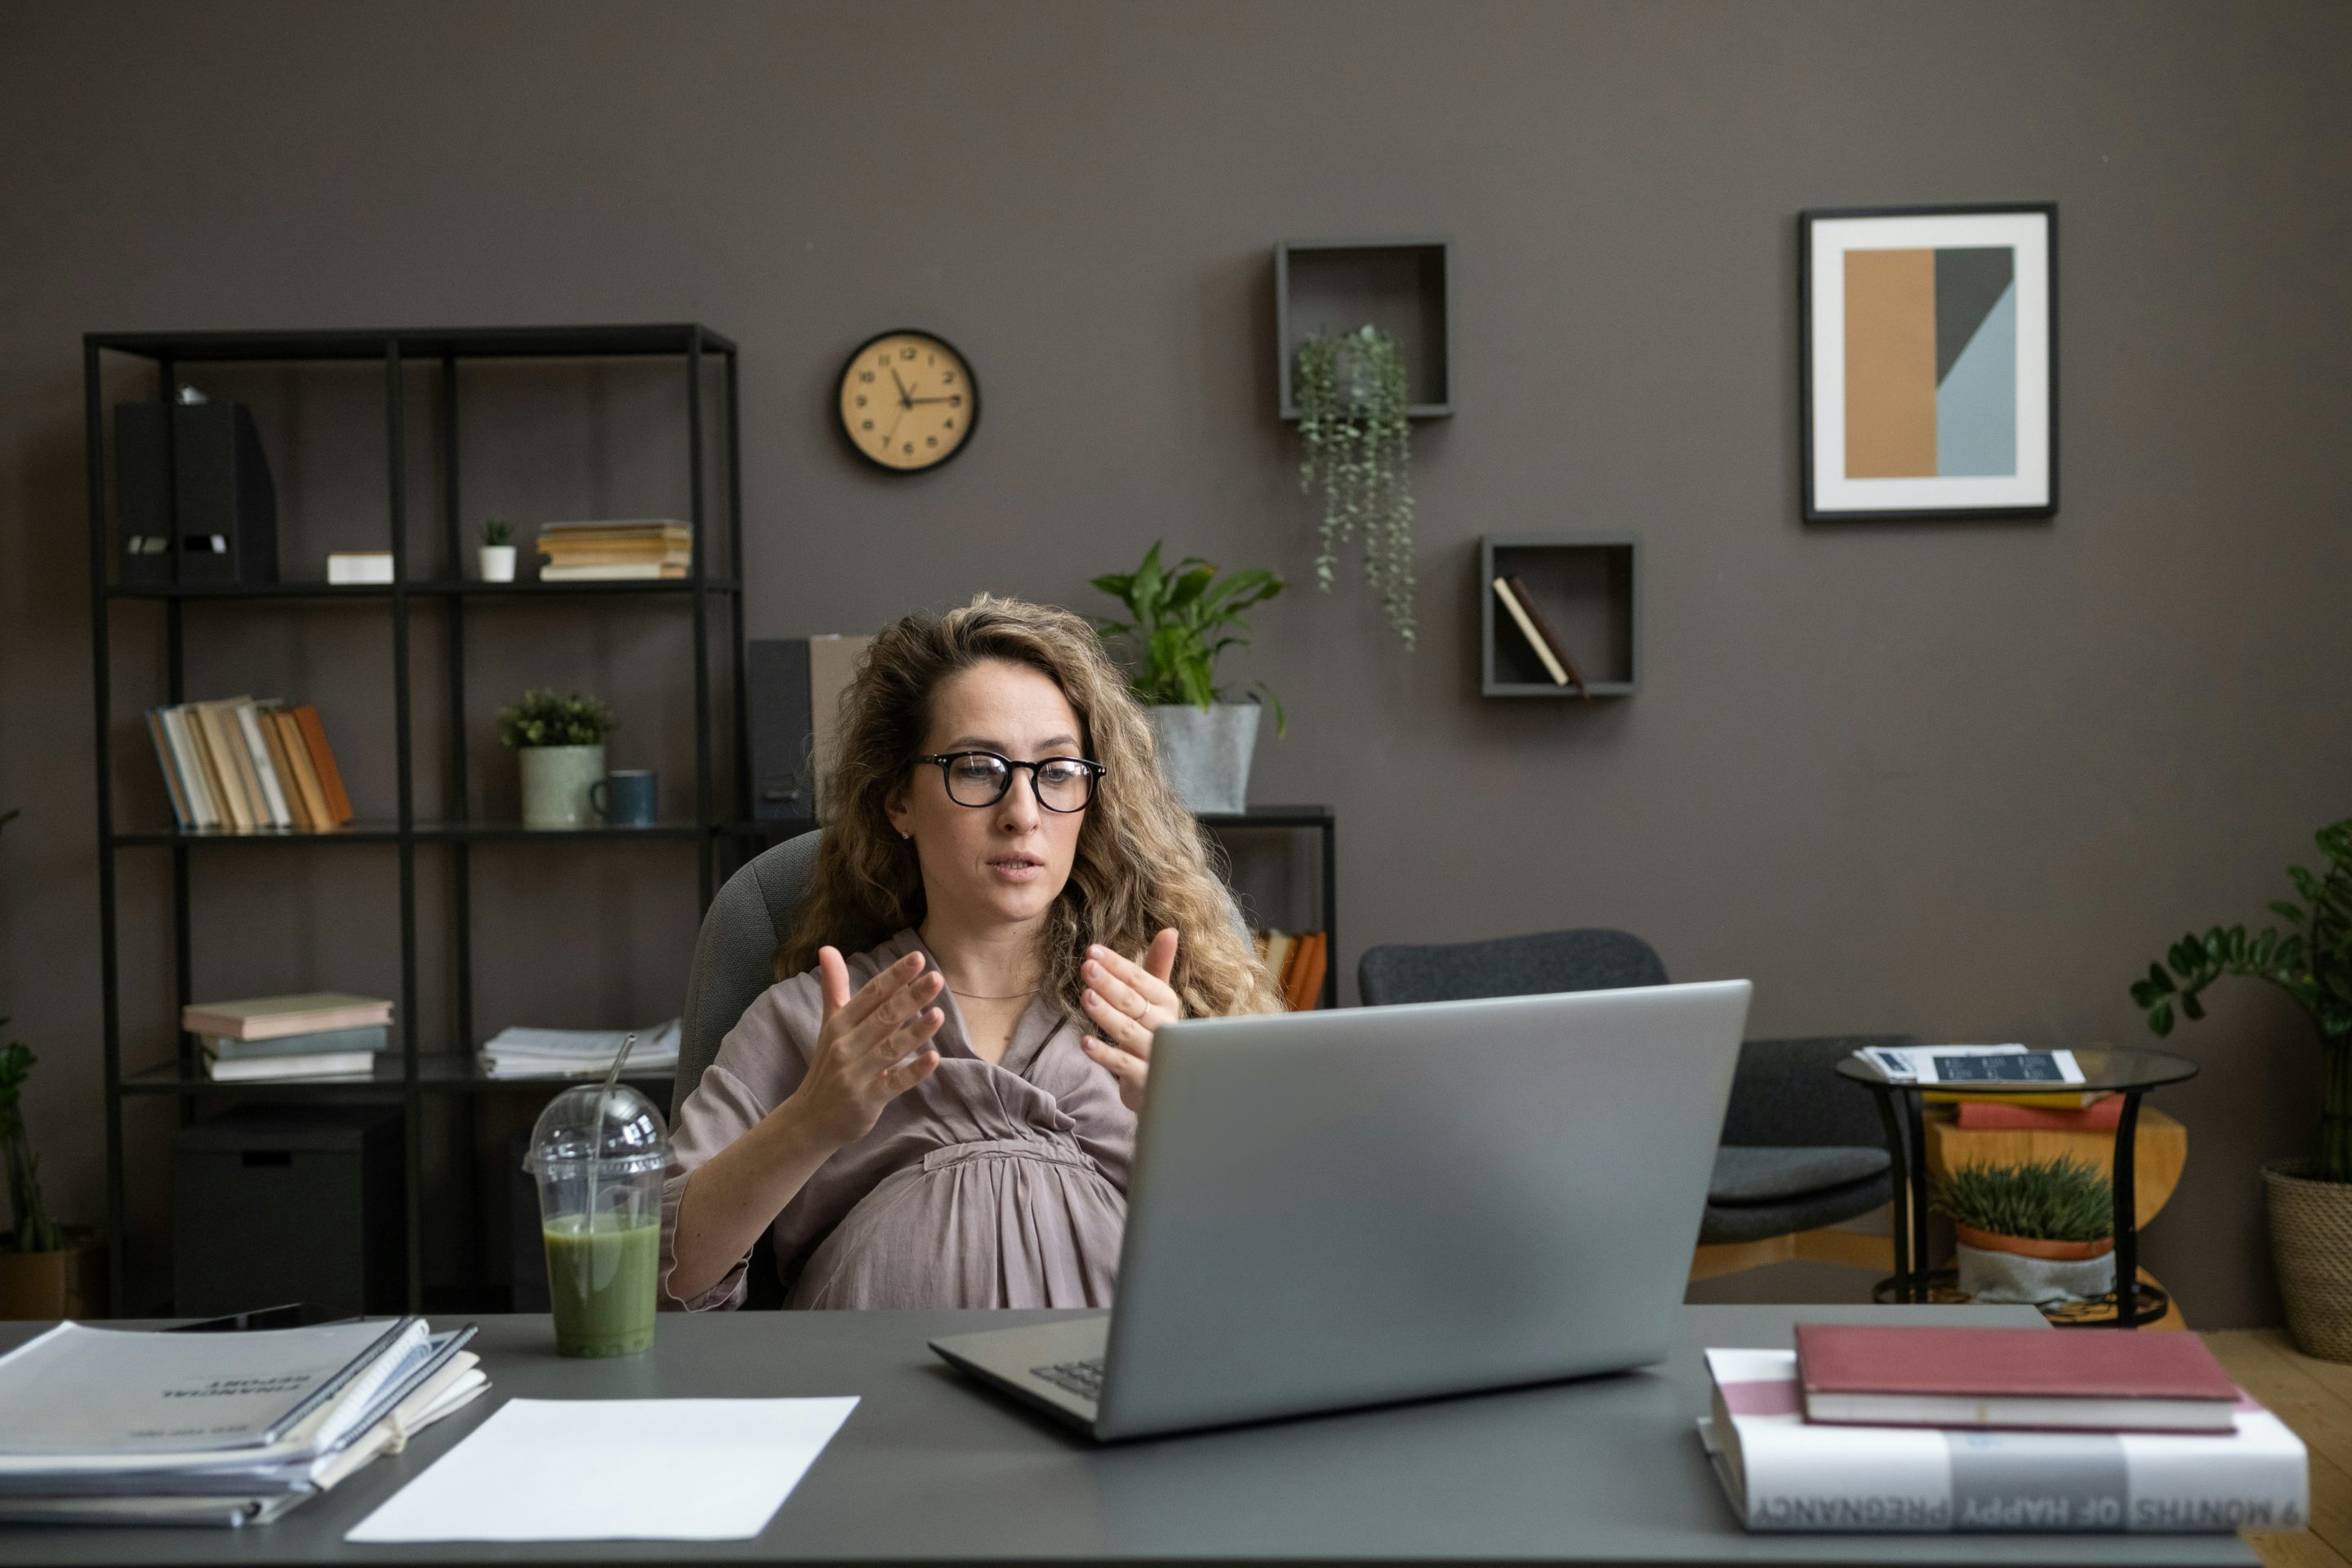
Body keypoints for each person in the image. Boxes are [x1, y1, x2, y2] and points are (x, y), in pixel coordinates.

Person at [661, 594, 1280, 1309]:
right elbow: (657, 1283)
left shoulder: (1160, 1021)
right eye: (979, 768)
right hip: (873, 1409)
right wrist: (813, 1118)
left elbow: (1278, 1277)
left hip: (1108, 1409)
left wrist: (1193, 1117)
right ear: (898, 800)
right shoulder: (808, 1023)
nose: (1023, 813)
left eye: (1057, 773)